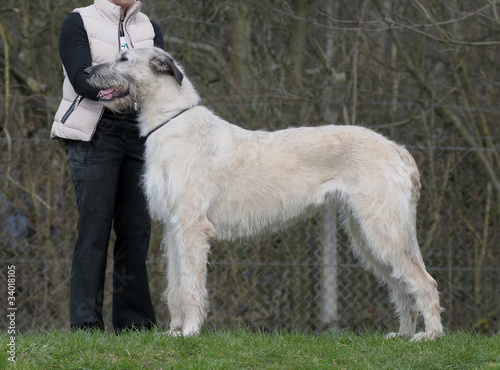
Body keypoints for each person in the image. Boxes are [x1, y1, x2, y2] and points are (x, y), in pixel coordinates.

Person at [51, 0, 164, 332]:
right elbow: (82, 80)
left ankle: (136, 325)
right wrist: (129, 89)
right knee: (93, 232)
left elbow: (160, 82)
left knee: (137, 233)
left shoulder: (151, 28)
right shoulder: (78, 22)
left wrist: (130, 89)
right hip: (95, 133)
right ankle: (86, 326)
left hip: (141, 136)